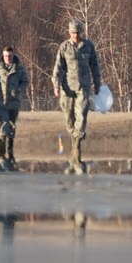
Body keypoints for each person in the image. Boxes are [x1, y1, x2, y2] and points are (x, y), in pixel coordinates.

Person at [52, 18, 102, 174]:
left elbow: (95, 65)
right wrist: (56, 86)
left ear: (81, 32)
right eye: (73, 33)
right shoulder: (64, 47)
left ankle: (77, 158)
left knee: (81, 120)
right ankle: (73, 158)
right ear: (69, 33)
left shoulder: (88, 46)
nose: (75, 35)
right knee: (69, 122)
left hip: (83, 87)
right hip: (67, 89)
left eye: (78, 33)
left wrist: (97, 83)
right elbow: (58, 68)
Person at [0, 46, 28, 171]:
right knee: (4, 127)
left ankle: (10, 155)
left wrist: (19, 89)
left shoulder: (18, 69)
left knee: (11, 129)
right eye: (5, 56)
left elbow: (25, 81)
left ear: (12, 55)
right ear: (2, 56)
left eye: (9, 56)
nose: (8, 58)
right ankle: (1, 155)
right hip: (2, 103)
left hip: (14, 103)